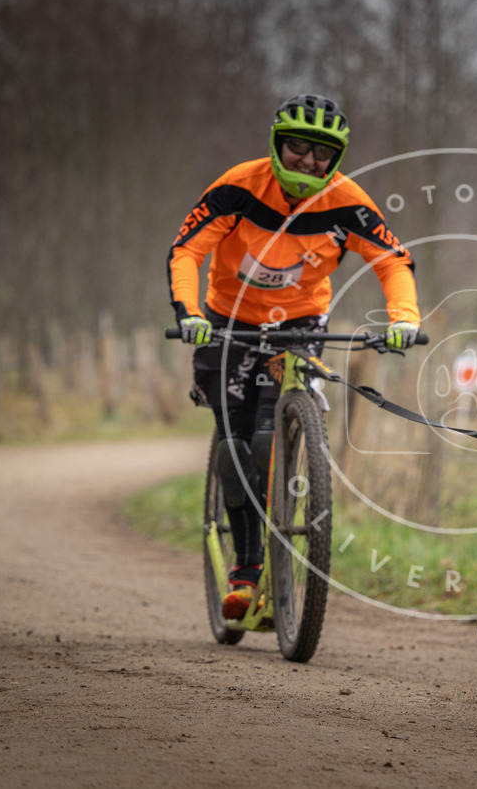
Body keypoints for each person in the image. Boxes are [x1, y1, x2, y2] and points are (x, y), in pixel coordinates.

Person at [167, 94, 420, 619]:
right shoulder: (239, 186)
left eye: (321, 153)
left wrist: (404, 319)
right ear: (278, 145)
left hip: (300, 323)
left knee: (268, 434)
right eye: (298, 147)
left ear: (337, 159)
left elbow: (394, 261)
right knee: (236, 444)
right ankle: (247, 566)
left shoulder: (347, 201)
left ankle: (286, 481)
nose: (308, 160)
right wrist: (188, 312)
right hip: (229, 320)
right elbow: (188, 249)